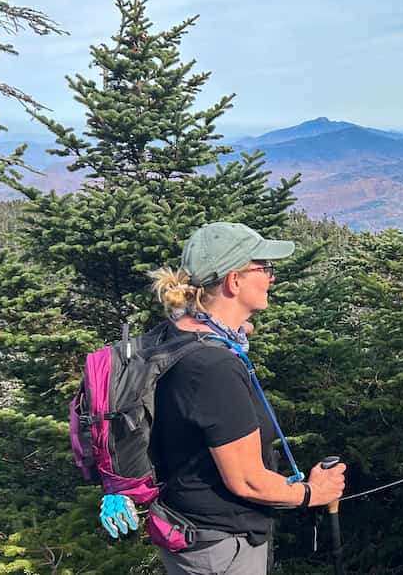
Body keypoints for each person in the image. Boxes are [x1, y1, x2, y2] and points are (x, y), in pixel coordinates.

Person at [147, 221, 346, 575]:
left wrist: (235, 331)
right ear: (234, 281)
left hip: (192, 534)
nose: (272, 278)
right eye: (264, 268)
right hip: (220, 549)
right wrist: (313, 492)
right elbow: (247, 480)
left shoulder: (178, 335)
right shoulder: (212, 366)